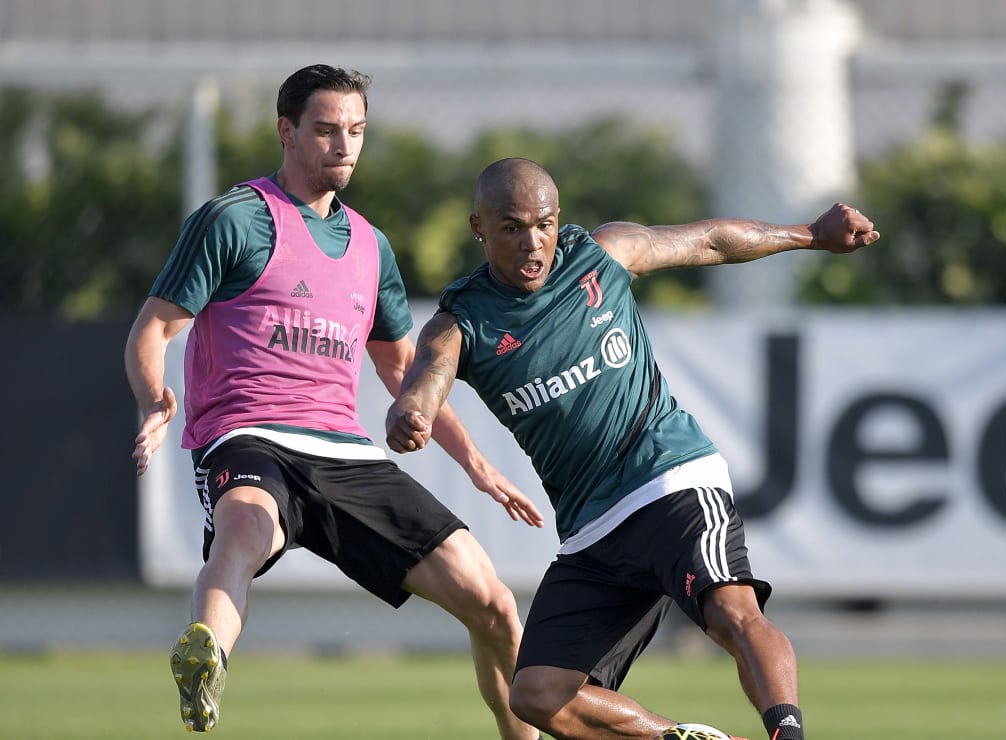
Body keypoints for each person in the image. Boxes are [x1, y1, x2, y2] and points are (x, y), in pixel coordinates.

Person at [386, 157, 880, 740]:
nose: (532, 242)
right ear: (479, 227)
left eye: (543, 224)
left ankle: (788, 735)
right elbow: (429, 373)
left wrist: (809, 235)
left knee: (730, 610)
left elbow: (712, 240)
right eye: (512, 227)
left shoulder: (602, 255)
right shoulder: (462, 320)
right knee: (538, 694)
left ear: (559, 219)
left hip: (669, 480)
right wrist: (410, 411)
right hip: (593, 531)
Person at [124, 67, 544, 738]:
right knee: (243, 531)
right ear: (286, 132)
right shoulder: (235, 220)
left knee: (492, 601)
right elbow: (153, 329)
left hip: (344, 454)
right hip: (249, 435)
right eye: (325, 130)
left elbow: (405, 370)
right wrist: (154, 398)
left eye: (355, 131)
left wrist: (474, 464)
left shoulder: (372, 247)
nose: (343, 146)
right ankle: (205, 652)